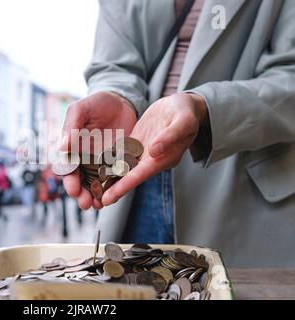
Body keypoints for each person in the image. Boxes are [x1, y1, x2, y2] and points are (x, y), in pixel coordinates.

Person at [62, 0, 295, 267]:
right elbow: (113, 65)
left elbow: (290, 76)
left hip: (242, 186)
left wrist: (205, 106)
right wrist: (117, 96)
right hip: (136, 177)